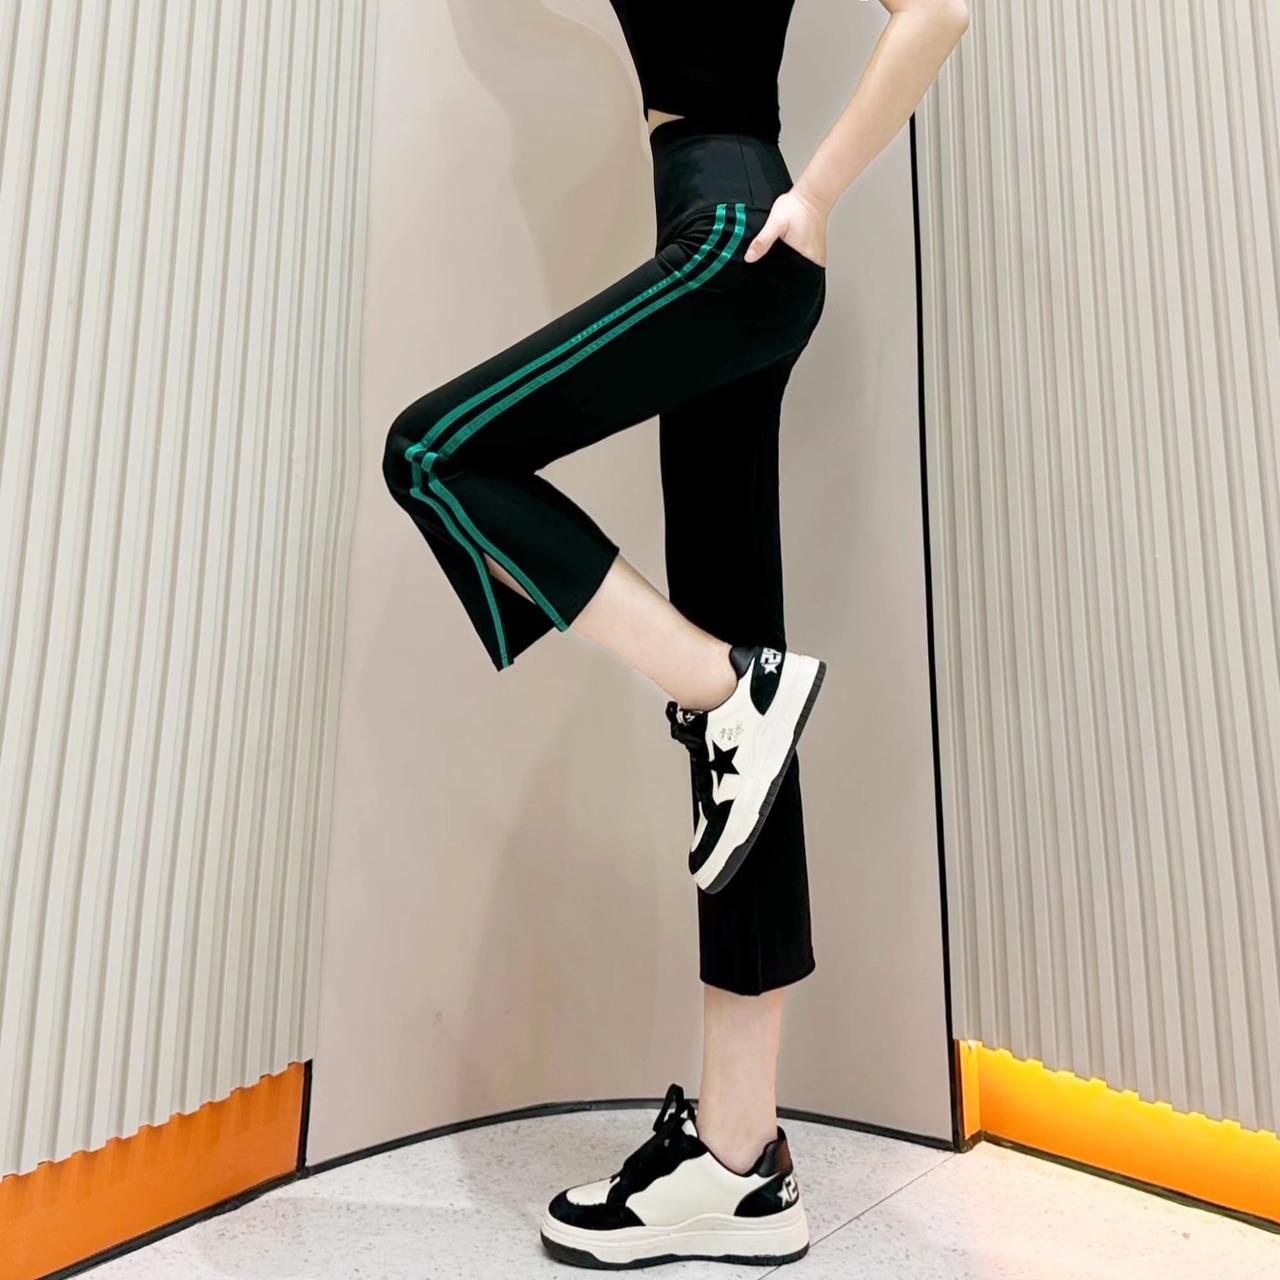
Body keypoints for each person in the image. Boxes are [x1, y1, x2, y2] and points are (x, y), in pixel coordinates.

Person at [381, 0, 969, 1267]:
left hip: (731, 236)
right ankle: (739, 1158)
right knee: (742, 730)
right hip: (712, 231)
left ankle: (725, 688)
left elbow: (936, 10)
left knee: (432, 452)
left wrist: (816, 196)